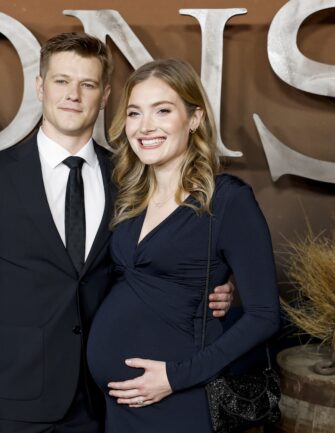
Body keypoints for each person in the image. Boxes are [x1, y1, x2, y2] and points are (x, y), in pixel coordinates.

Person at [0, 34, 234, 433]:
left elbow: (158, 265)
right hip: (17, 402)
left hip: (110, 399)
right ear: (41, 87)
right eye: (62, 81)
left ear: (105, 95)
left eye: (88, 84)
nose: (73, 95)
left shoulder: (133, 179)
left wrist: (216, 285)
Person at [86, 59, 281, 433]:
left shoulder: (227, 200)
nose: (145, 126)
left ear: (194, 118)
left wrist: (175, 378)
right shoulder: (128, 198)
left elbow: (264, 316)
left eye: (163, 110)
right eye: (134, 113)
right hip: (119, 406)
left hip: (178, 398)